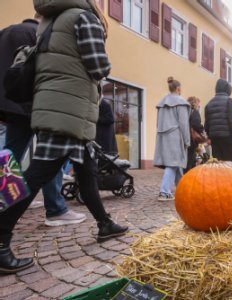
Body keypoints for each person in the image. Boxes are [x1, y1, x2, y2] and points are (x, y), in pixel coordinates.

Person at [0, 0, 129, 274]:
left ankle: (104, 224)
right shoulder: (83, 17)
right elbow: (97, 66)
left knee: (86, 169)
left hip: (56, 103)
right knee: (38, 173)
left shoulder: (50, 19)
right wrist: (105, 67)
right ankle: (1, 240)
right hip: (68, 107)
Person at [0, 14, 85, 226]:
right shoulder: (39, 33)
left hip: (9, 103)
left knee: (10, 157)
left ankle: (9, 203)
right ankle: (55, 209)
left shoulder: (6, 32)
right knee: (51, 152)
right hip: (34, 103)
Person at [154, 77, 190, 201]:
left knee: (176, 163)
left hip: (163, 136)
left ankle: (182, 189)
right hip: (175, 136)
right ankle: (164, 192)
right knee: (173, 164)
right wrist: (187, 141)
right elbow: (184, 124)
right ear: (178, 89)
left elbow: (158, 123)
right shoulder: (181, 102)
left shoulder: (162, 103)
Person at [204, 79, 232, 163]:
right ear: (227, 89)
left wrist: (210, 136)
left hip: (215, 139)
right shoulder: (230, 101)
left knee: (218, 164)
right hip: (228, 138)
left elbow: (207, 125)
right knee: (231, 164)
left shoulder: (209, 104)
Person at [185, 96, 204, 172]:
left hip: (184, 137)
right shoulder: (195, 112)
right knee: (190, 160)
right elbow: (196, 124)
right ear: (195, 103)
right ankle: (187, 178)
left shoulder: (185, 111)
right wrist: (201, 128)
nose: (199, 106)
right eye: (198, 104)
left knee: (187, 159)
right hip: (191, 139)